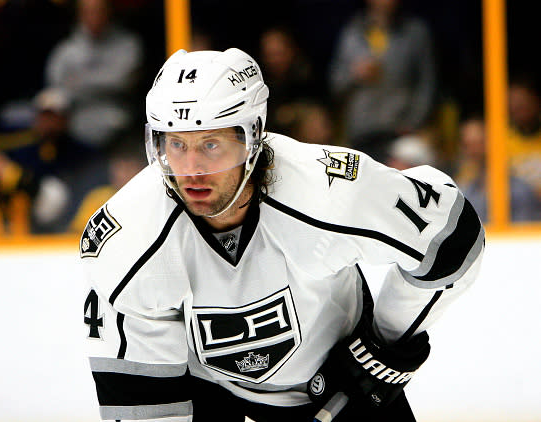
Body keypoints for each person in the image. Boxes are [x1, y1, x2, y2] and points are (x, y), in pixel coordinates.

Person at [79, 48, 484, 422]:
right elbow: (142, 396)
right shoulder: (128, 237)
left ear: (252, 135)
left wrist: (386, 345)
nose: (191, 169)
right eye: (176, 144)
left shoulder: (328, 190)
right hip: (206, 388)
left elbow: (452, 237)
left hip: (336, 381)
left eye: (211, 144)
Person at [328, 0, 437, 161]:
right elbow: (335, 83)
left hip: (400, 131)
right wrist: (355, 74)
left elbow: (427, 83)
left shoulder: (415, 32)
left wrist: (413, 122)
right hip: (361, 131)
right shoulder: (352, 32)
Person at [44, 0, 143, 151]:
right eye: (88, 11)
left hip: (118, 121)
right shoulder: (66, 50)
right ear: (79, 14)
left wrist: (76, 82)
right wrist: (101, 80)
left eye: (98, 10)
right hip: (72, 125)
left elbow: (122, 81)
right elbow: (55, 89)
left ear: (109, 12)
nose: (93, 16)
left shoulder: (128, 44)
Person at [454, 116, 541, 222]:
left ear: (493, 143)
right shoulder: (465, 191)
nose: (473, 150)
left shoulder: (519, 191)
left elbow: (524, 234)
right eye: (467, 145)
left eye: (478, 143)